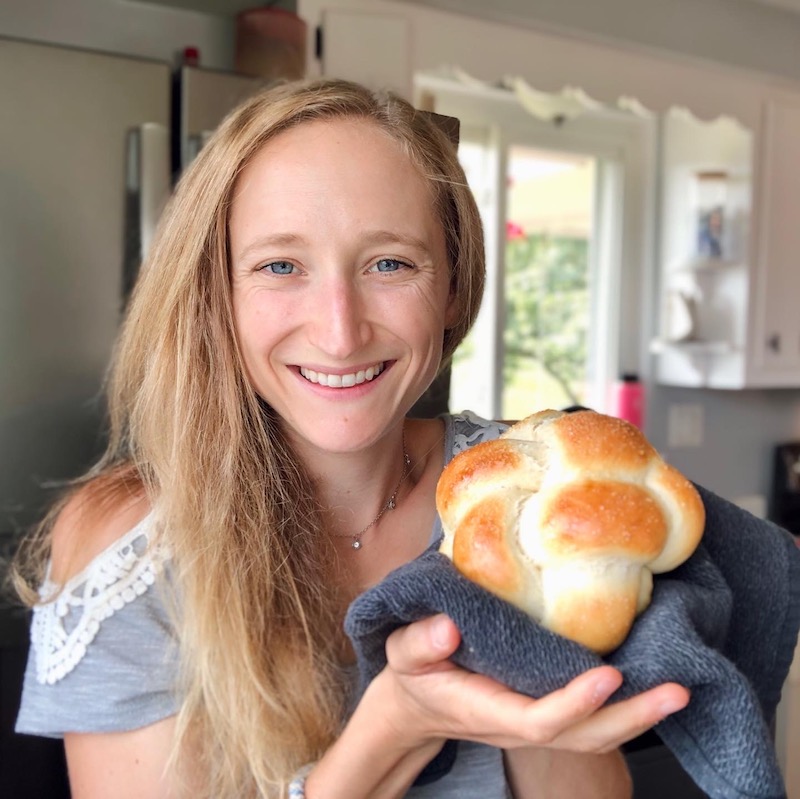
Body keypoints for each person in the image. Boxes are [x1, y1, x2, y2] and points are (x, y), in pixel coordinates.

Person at [13, 78, 690, 799]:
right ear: (219, 293)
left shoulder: (522, 498)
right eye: (281, 265)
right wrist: (398, 723)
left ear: (454, 286)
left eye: (390, 263)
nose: (340, 331)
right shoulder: (131, 549)